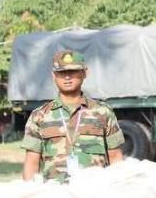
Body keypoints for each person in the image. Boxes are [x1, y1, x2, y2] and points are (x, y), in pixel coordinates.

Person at [20, 49, 124, 183]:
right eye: (62, 73)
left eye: (72, 71)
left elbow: (116, 158)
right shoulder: (39, 116)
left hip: (96, 194)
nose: (67, 77)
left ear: (85, 73)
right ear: (53, 75)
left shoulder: (103, 112)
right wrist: (30, 195)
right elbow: (31, 163)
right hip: (55, 195)